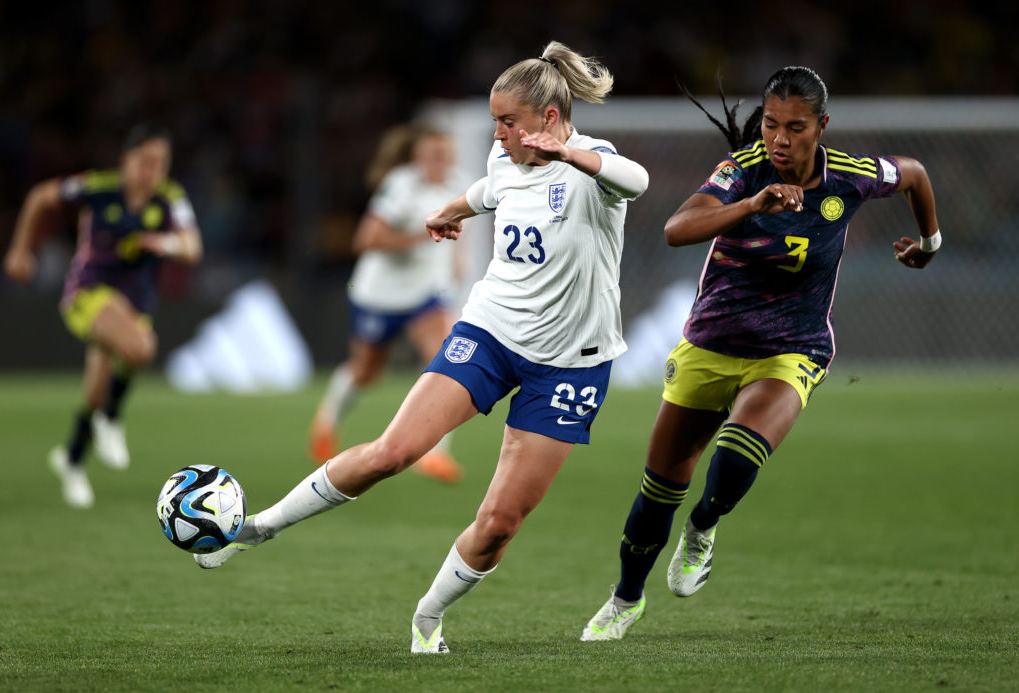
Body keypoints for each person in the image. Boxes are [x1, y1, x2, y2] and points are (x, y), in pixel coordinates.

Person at [193, 41, 649, 654]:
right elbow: (490, 190)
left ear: (547, 120)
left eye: (507, 121)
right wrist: (450, 211)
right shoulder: (505, 158)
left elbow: (638, 181)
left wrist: (570, 153)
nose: (497, 132)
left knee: (497, 527)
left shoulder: (595, 164)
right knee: (391, 452)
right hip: (491, 333)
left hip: (572, 364)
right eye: (494, 120)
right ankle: (260, 527)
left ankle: (428, 617)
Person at [581, 66, 942, 641]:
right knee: (658, 492)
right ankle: (625, 599)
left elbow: (916, 174)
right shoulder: (741, 171)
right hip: (711, 346)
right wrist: (751, 206)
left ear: (821, 126)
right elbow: (677, 228)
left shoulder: (851, 177)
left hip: (791, 350)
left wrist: (929, 244)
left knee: (734, 458)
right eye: (771, 124)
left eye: (795, 127)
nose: (778, 138)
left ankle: (702, 528)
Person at [3, 124, 202, 508]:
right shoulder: (98, 188)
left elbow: (192, 247)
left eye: (161, 161)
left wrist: (162, 241)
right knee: (142, 349)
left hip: (134, 305)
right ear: (126, 160)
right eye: (146, 160)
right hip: (88, 295)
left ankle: (73, 460)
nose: (153, 169)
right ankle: (111, 417)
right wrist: (20, 249)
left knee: (97, 383)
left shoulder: (169, 198)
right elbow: (41, 195)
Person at [308, 124, 465, 483]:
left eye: (446, 155)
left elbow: (458, 232)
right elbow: (367, 240)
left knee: (447, 361)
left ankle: (436, 454)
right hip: (378, 295)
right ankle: (326, 424)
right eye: (434, 156)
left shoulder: (459, 183)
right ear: (418, 158)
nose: (441, 163)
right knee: (366, 372)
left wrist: (456, 263)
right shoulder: (401, 186)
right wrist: (422, 235)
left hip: (426, 294)